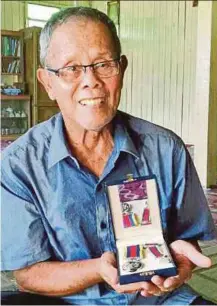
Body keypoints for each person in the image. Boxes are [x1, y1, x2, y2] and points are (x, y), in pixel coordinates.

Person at [1, 6, 217, 305]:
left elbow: (187, 238)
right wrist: (100, 270)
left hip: (159, 298)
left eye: (103, 64)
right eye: (71, 68)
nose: (91, 81)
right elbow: (27, 274)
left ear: (122, 70)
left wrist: (181, 258)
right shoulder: (18, 165)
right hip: (70, 301)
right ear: (47, 82)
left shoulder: (166, 149)